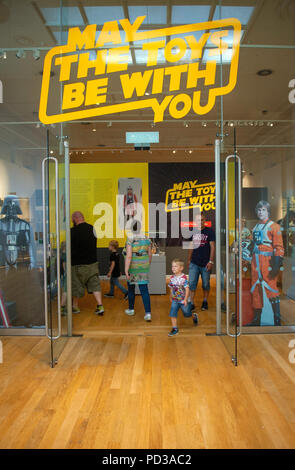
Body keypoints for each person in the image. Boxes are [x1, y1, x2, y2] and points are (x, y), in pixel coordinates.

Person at [246, 201, 284, 326]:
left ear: (268, 211)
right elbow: (252, 243)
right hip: (255, 261)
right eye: (259, 210)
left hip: (267, 261)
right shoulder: (256, 227)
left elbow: (279, 247)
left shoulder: (274, 227)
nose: (260, 212)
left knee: (271, 288)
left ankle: (276, 320)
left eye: (263, 210)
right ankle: (257, 319)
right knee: (255, 288)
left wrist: (276, 266)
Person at [71, 211, 104, 315]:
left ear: (75, 219)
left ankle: (75, 307)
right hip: (92, 263)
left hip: (78, 264)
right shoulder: (92, 228)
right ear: (83, 217)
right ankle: (100, 305)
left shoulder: (72, 231)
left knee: (76, 285)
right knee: (95, 285)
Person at [124, 223, 152, 321]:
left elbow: (129, 256)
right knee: (144, 290)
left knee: (131, 288)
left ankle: (131, 309)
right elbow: (150, 254)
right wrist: (147, 264)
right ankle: (148, 313)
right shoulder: (147, 239)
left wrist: (126, 270)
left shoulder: (130, 239)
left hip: (133, 267)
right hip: (143, 266)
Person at [188, 213, 215, 311]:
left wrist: (211, 261)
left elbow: (212, 247)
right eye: (198, 220)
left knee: (206, 284)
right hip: (194, 262)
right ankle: (191, 302)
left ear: (205, 220)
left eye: (202, 220)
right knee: (191, 283)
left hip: (205, 263)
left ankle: (205, 301)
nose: (200, 222)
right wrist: (189, 259)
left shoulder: (210, 232)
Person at [168, 259, 198, 337]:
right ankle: (175, 328)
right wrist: (170, 296)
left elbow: (187, 289)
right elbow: (171, 287)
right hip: (175, 300)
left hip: (183, 300)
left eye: (175, 266)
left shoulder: (184, 278)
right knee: (172, 314)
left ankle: (193, 316)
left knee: (187, 314)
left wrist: (185, 299)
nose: (173, 268)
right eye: (172, 266)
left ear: (181, 268)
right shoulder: (172, 278)